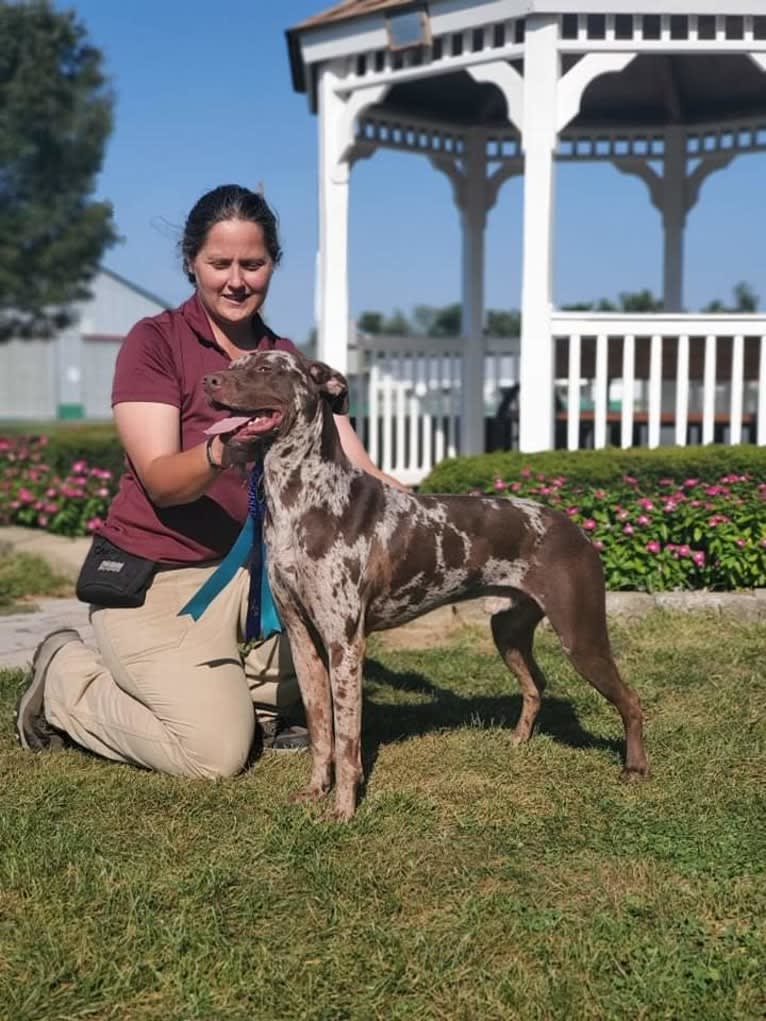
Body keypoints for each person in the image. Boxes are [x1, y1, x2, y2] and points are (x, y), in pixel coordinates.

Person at [15, 183, 402, 778]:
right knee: (215, 754)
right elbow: (162, 481)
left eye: (254, 263)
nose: (237, 280)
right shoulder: (155, 342)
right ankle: (65, 677)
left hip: (257, 582)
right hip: (162, 579)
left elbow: (359, 468)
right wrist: (225, 449)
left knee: (336, 625)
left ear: (273, 263)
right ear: (191, 262)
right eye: (219, 264)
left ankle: (250, 694)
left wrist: (441, 514)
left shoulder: (283, 357)